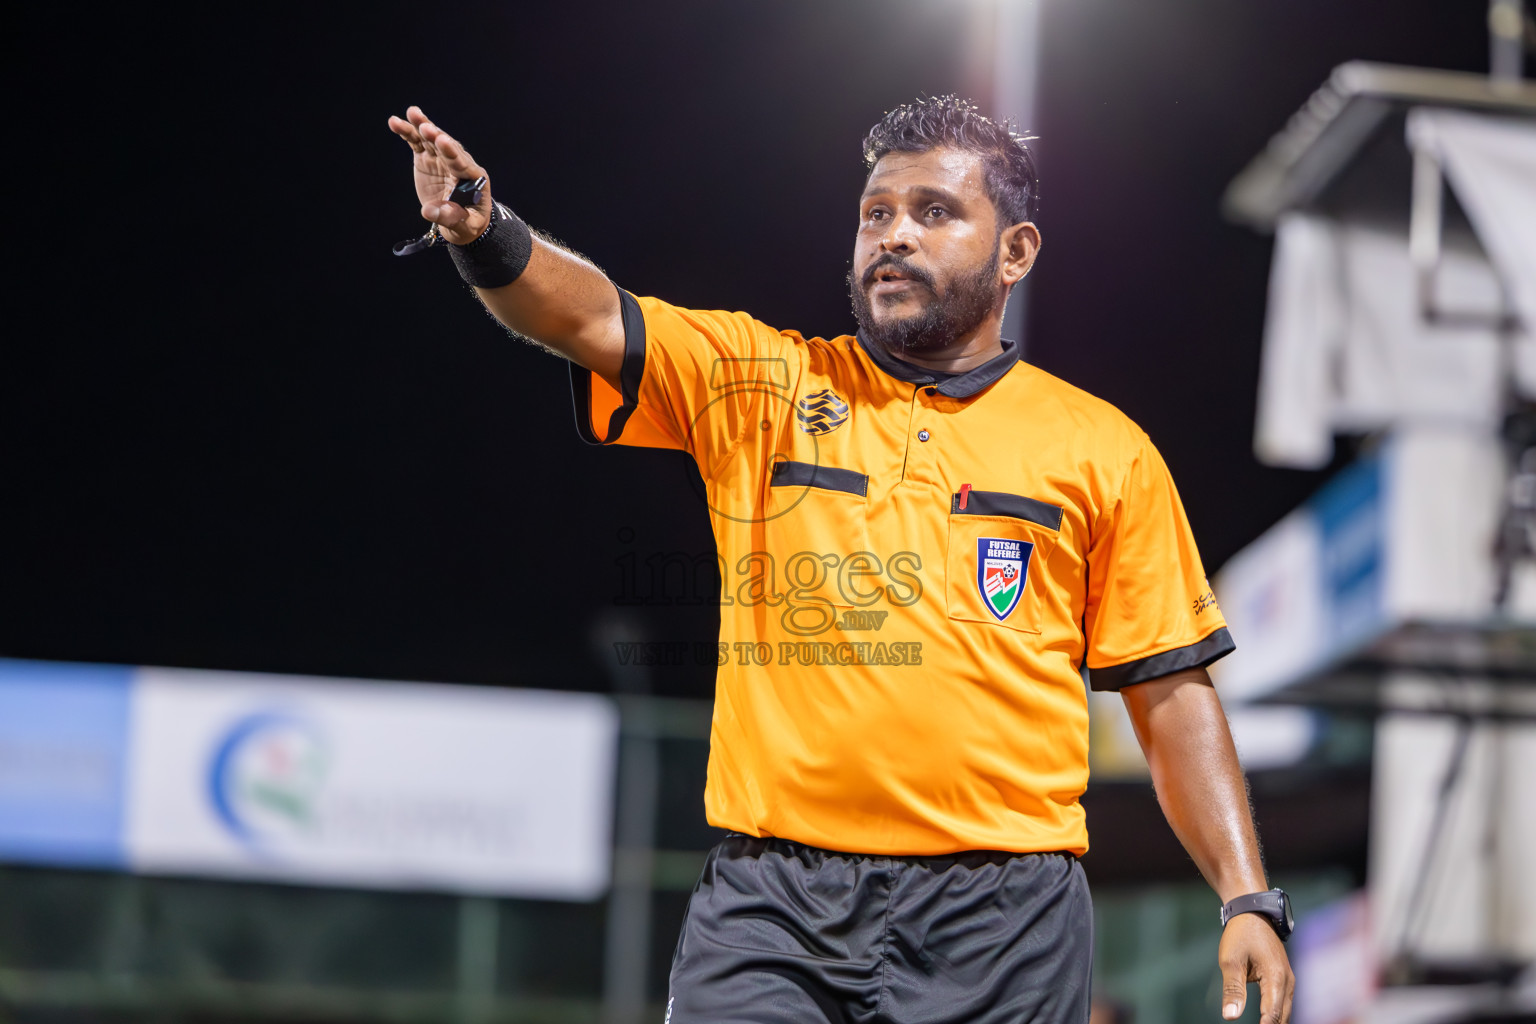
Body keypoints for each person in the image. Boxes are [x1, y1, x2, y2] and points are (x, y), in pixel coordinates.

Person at [388, 95, 1294, 1024]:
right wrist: (485, 231)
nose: (894, 234)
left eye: (934, 212)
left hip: (1003, 923)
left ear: (1016, 251)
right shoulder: (762, 384)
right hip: (773, 908)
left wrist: (1246, 895)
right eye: (877, 213)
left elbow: (1172, 694)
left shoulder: (1106, 450)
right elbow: (592, 322)